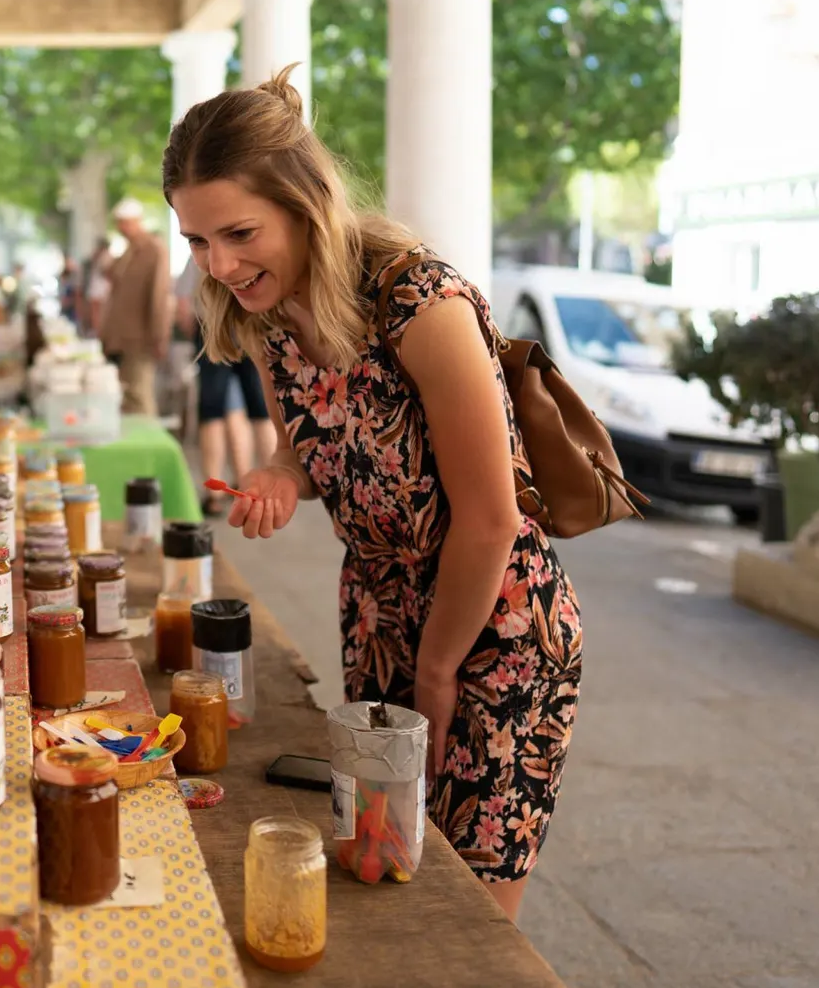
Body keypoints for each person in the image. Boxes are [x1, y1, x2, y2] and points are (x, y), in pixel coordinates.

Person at [163, 67, 581, 921]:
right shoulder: (267, 315)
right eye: (198, 242)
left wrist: (435, 671)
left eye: (239, 233)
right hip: (381, 618)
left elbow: (493, 518)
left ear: (305, 201)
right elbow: (302, 450)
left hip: (494, 629)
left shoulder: (419, 301)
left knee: (468, 917)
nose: (221, 265)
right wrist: (279, 477)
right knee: (383, 876)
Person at [176, 257, 277, 511]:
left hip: (213, 328)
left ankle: (216, 494)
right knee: (260, 409)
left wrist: (194, 330)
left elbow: (182, 301)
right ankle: (269, 486)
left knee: (213, 413)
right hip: (252, 325)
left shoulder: (204, 250)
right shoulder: (248, 248)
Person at [96, 198, 173, 416]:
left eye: (126, 223)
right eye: (119, 223)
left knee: (139, 395)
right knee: (127, 396)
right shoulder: (127, 252)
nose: (122, 228)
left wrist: (159, 336)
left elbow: (158, 297)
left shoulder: (154, 250)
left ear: (138, 221)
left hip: (141, 338)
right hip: (120, 337)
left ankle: (150, 446)